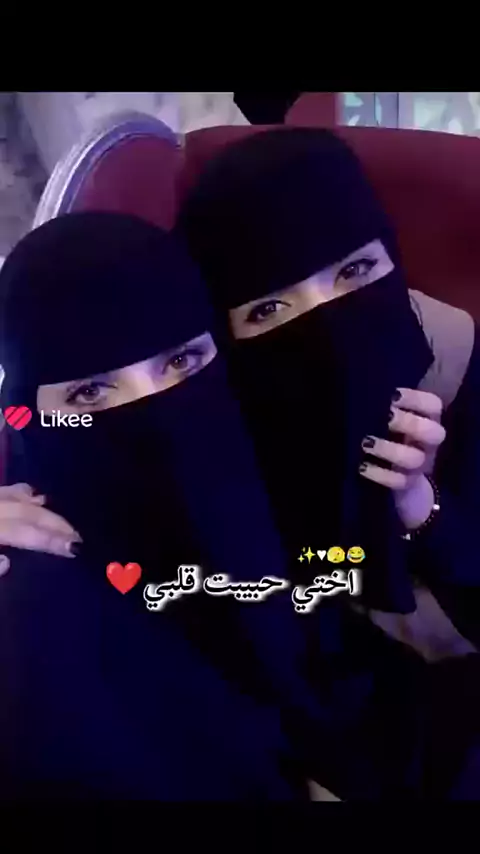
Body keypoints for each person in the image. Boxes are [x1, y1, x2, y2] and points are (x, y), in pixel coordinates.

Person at [178, 127, 480, 797]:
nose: (324, 322)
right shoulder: (222, 420)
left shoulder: (457, 361)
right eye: (270, 308)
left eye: (353, 271)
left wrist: (423, 509)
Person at [0, 210, 330, 800]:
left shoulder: (272, 449)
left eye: (180, 362)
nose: (156, 410)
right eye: (91, 392)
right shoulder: (37, 612)